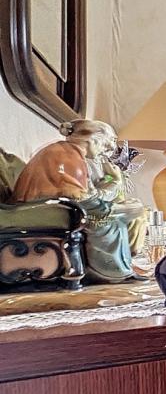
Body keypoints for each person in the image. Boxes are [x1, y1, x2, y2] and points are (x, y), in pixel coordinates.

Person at [14, 120, 145, 282]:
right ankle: (109, 272)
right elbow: (80, 197)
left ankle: (121, 267)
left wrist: (112, 181)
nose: (105, 152)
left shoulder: (74, 155)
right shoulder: (66, 156)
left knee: (132, 210)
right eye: (104, 146)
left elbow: (93, 189)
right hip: (48, 210)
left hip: (60, 206)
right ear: (92, 140)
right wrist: (114, 187)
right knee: (109, 220)